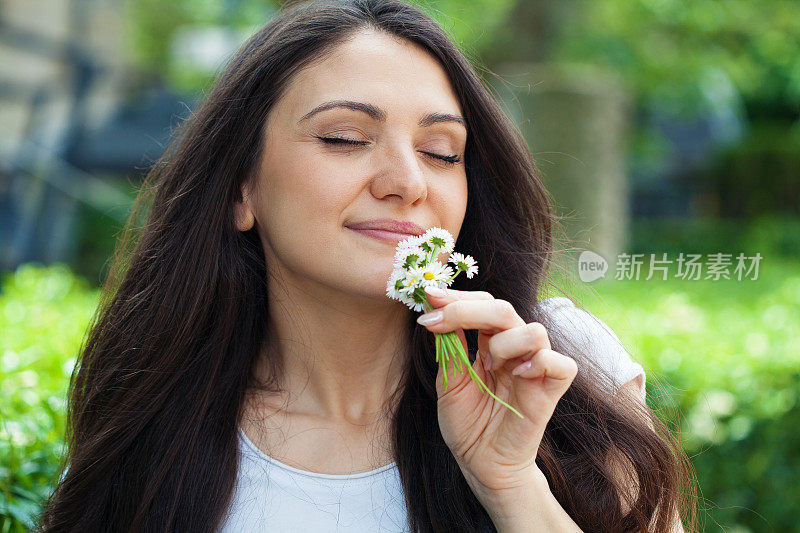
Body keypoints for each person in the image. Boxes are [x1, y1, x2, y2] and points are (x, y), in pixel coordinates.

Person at [39, 0, 696, 531]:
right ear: (242, 188)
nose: (406, 181)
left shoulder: (556, 371)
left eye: (442, 152)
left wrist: (513, 485)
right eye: (345, 139)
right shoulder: (152, 417)